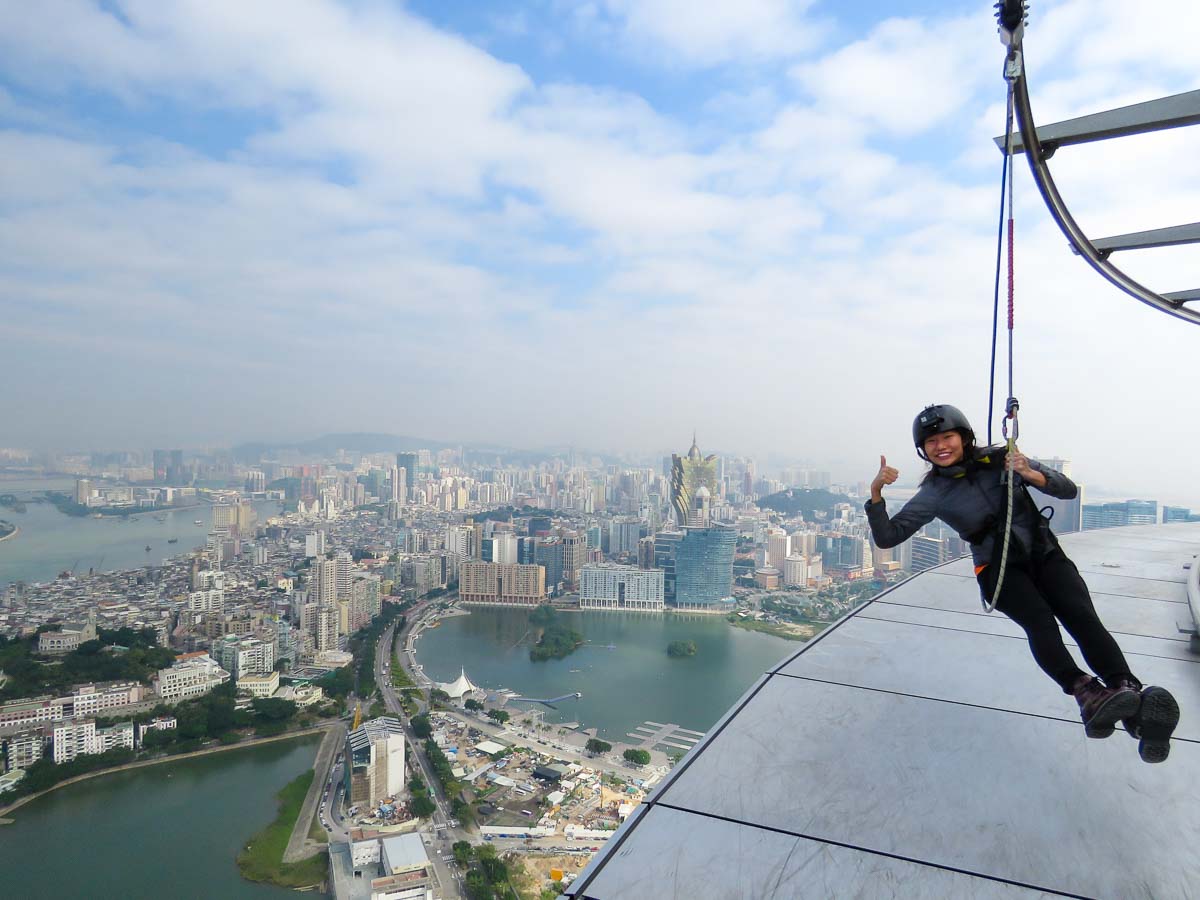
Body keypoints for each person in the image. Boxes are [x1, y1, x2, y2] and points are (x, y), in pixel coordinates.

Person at [865, 403, 1180, 763]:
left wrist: (1030, 472)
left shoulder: (1005, 460)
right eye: (932, 442)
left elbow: (1068, 491)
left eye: (947, 437)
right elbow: (889, 536)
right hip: (999, 571)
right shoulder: (934, 493)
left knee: (1082, 618)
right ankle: (1086, 691)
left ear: (964, 437)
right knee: (1041, 623)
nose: (941, 447)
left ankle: (1129, 696)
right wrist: (876, 494)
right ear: (924, 450)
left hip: (1046, 555)